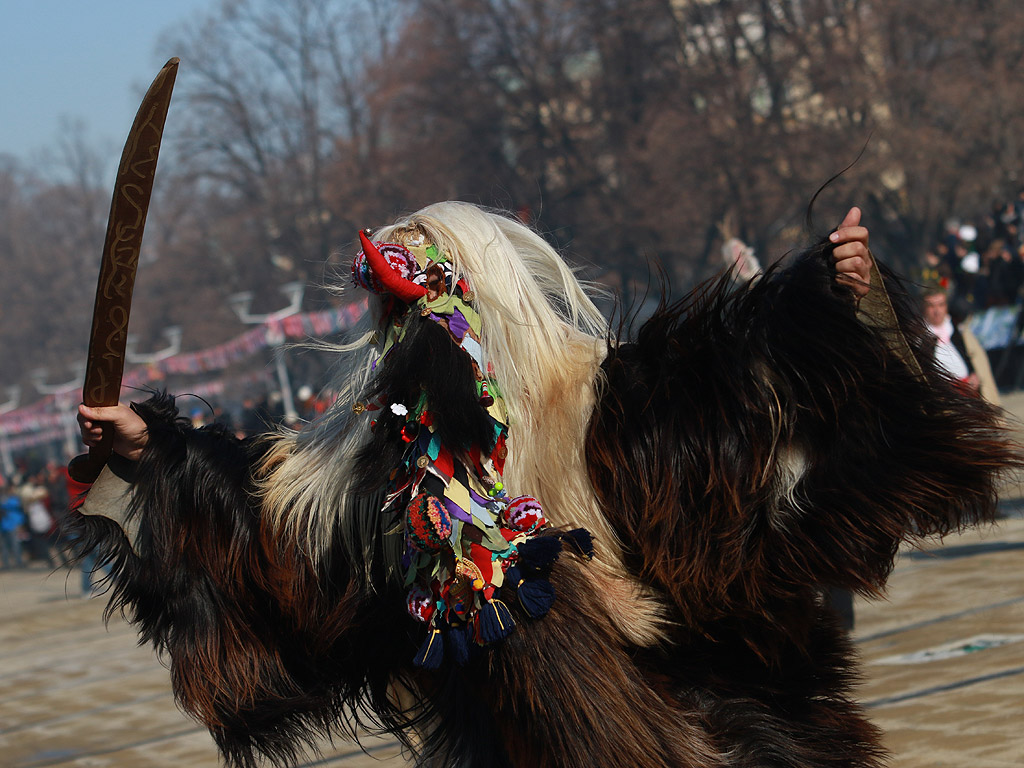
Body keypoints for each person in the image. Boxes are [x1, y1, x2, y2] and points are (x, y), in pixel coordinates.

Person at [69, 202, 1019, 768]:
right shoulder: (375, 475)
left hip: (707, 731)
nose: (409, 336)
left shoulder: (617, 403)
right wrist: (153, 453)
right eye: (391, 311)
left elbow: (759, 389)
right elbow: (258, 524)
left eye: (422, 304)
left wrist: (833, 299)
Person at [922, 288, 1000, 404]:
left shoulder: (960, 331)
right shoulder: (920, 338)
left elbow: (977, 361)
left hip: (970, 394)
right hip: (944, 402)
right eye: (931, 306)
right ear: (924, 308)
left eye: (941, 305)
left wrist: (975, 375)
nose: (937, 311)